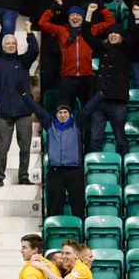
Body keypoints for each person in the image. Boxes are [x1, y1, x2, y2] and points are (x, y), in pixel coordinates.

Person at [20, 89, 104, 219]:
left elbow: (88, 109)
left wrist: (100, 95)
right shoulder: (49, 124)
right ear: (56, 114)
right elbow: (37, 110)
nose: (63, 115)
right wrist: (25, 96)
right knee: (55, 207)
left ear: (70, 113)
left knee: (78, 206)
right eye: (60, 112)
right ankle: (55, 230)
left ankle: (78, 230)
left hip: (74, 171)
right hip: (55, 172)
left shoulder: (77, 123)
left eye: (65, 112)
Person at [0, 20, 38, 187]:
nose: (10, 45)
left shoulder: (23, 61)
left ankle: (23, 176)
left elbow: (34, 50)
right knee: (3, 147)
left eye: (13, 43)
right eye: (7, 43)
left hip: (24, 111)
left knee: (25, 147)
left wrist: (29, 32)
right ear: (3, 46)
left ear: (16, 45)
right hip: (5, 112)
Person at [38, 3, 114, 110]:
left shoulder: (91, 30)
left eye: (78, 15)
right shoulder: (61, 31)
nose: (75, 17)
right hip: (67, 77)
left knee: (89, 109)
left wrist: (101, 8)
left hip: (86, 77)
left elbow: (110, 21)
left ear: (83, 18)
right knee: (63, 108)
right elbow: (42, 23)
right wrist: (52, 10)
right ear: (68, 18)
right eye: (72, 15)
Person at [82, 14, 131, 156]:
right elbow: (86, 35)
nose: (113, 35)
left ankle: (123, 166)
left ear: (122, 37)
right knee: (95, 140)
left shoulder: (126, 50)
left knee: (120, 139)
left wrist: (137, 18)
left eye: (116, 33)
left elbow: (136, 37)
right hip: (99, 100)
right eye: (110, 33)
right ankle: (93, 167)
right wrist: (89, 14)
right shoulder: (102, 48)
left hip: (117, 101)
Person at [38, 0, 76, 97]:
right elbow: (40, 20)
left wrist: (60, 10)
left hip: (67, 44)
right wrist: (54, 9)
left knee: (67, 80)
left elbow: (74, 19)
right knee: (48, 78)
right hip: (49, 46)